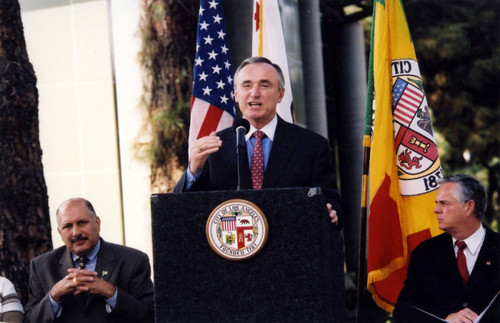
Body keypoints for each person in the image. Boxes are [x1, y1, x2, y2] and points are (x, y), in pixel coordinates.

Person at [174, 56, 342, 225]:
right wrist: (193, 169)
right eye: (247, 85)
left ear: (280, 94)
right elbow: (180, 211)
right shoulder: (214, 146)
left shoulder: (312, 146)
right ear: (236, 94)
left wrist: (331, 212)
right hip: (231, 247)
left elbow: (332, 204)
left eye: (264, 85)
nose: (254, 93)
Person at [24, 198, 154, 323]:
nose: (75, 232)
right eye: (68, 226)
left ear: (97, 223)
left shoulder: (133, 260)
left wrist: (111, 293)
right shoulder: (42, 266)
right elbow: (29, 320)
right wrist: (53, 296)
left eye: (81, 223)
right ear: (60, 232)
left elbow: (151, 315)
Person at [393, 174, 500, 322]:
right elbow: (403, 311)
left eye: (444, 203)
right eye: (437, 203)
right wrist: (446, 318)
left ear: (469, 206)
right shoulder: (425, 253)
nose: (436, 209)